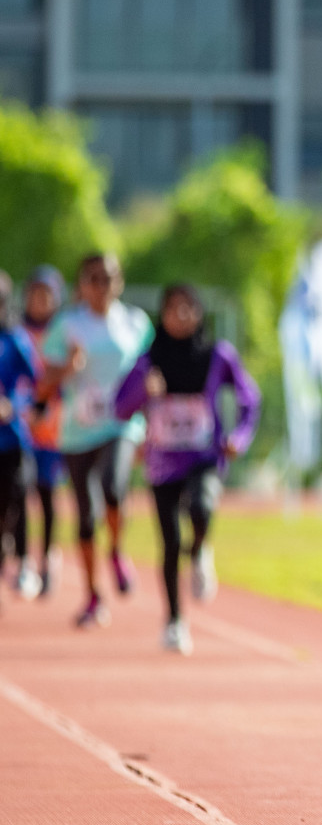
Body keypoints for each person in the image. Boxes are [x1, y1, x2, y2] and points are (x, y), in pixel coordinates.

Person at [116, 285, 259, 655]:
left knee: (202, 507)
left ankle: (200, 553)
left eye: (188, 309)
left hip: (204, 456)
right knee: (169, 542)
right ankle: (175, 621)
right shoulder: (149, 360)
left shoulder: (218, 356)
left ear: (199, 313)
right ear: (161, 315)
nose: (181, 317)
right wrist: (143, 392)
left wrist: (239, 438)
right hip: (163, 463)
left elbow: (249, 399)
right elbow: (120, 407)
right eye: (173, 309)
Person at [37, 254, 153, 629]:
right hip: (78, 429)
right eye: (93, 279)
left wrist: (150, 415)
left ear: (119, 282)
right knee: (86, 517)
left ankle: (117, 550)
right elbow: (42, 383)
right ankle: (91, 596)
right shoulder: (67, 325)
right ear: (81, 284)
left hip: (121, 424)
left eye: (108, 279)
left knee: (114, 489)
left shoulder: (136, 323)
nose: (101, 287)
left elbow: (151, 373)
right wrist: (67, 368)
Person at [16, 266, 66, 597]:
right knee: (20, 492)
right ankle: (22, 559)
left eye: (46, 296)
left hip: (53, 430)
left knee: (47, 495)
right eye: (35, 295)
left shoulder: (64, 333)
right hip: (21, 429)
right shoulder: (17, 333)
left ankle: (48, 556)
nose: (40, 302)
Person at [0, 272, 39, 603]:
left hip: (11, 440)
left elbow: (36, 384)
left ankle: (23, 559)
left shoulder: (15, 340)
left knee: (15, 499)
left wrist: (14, 405)